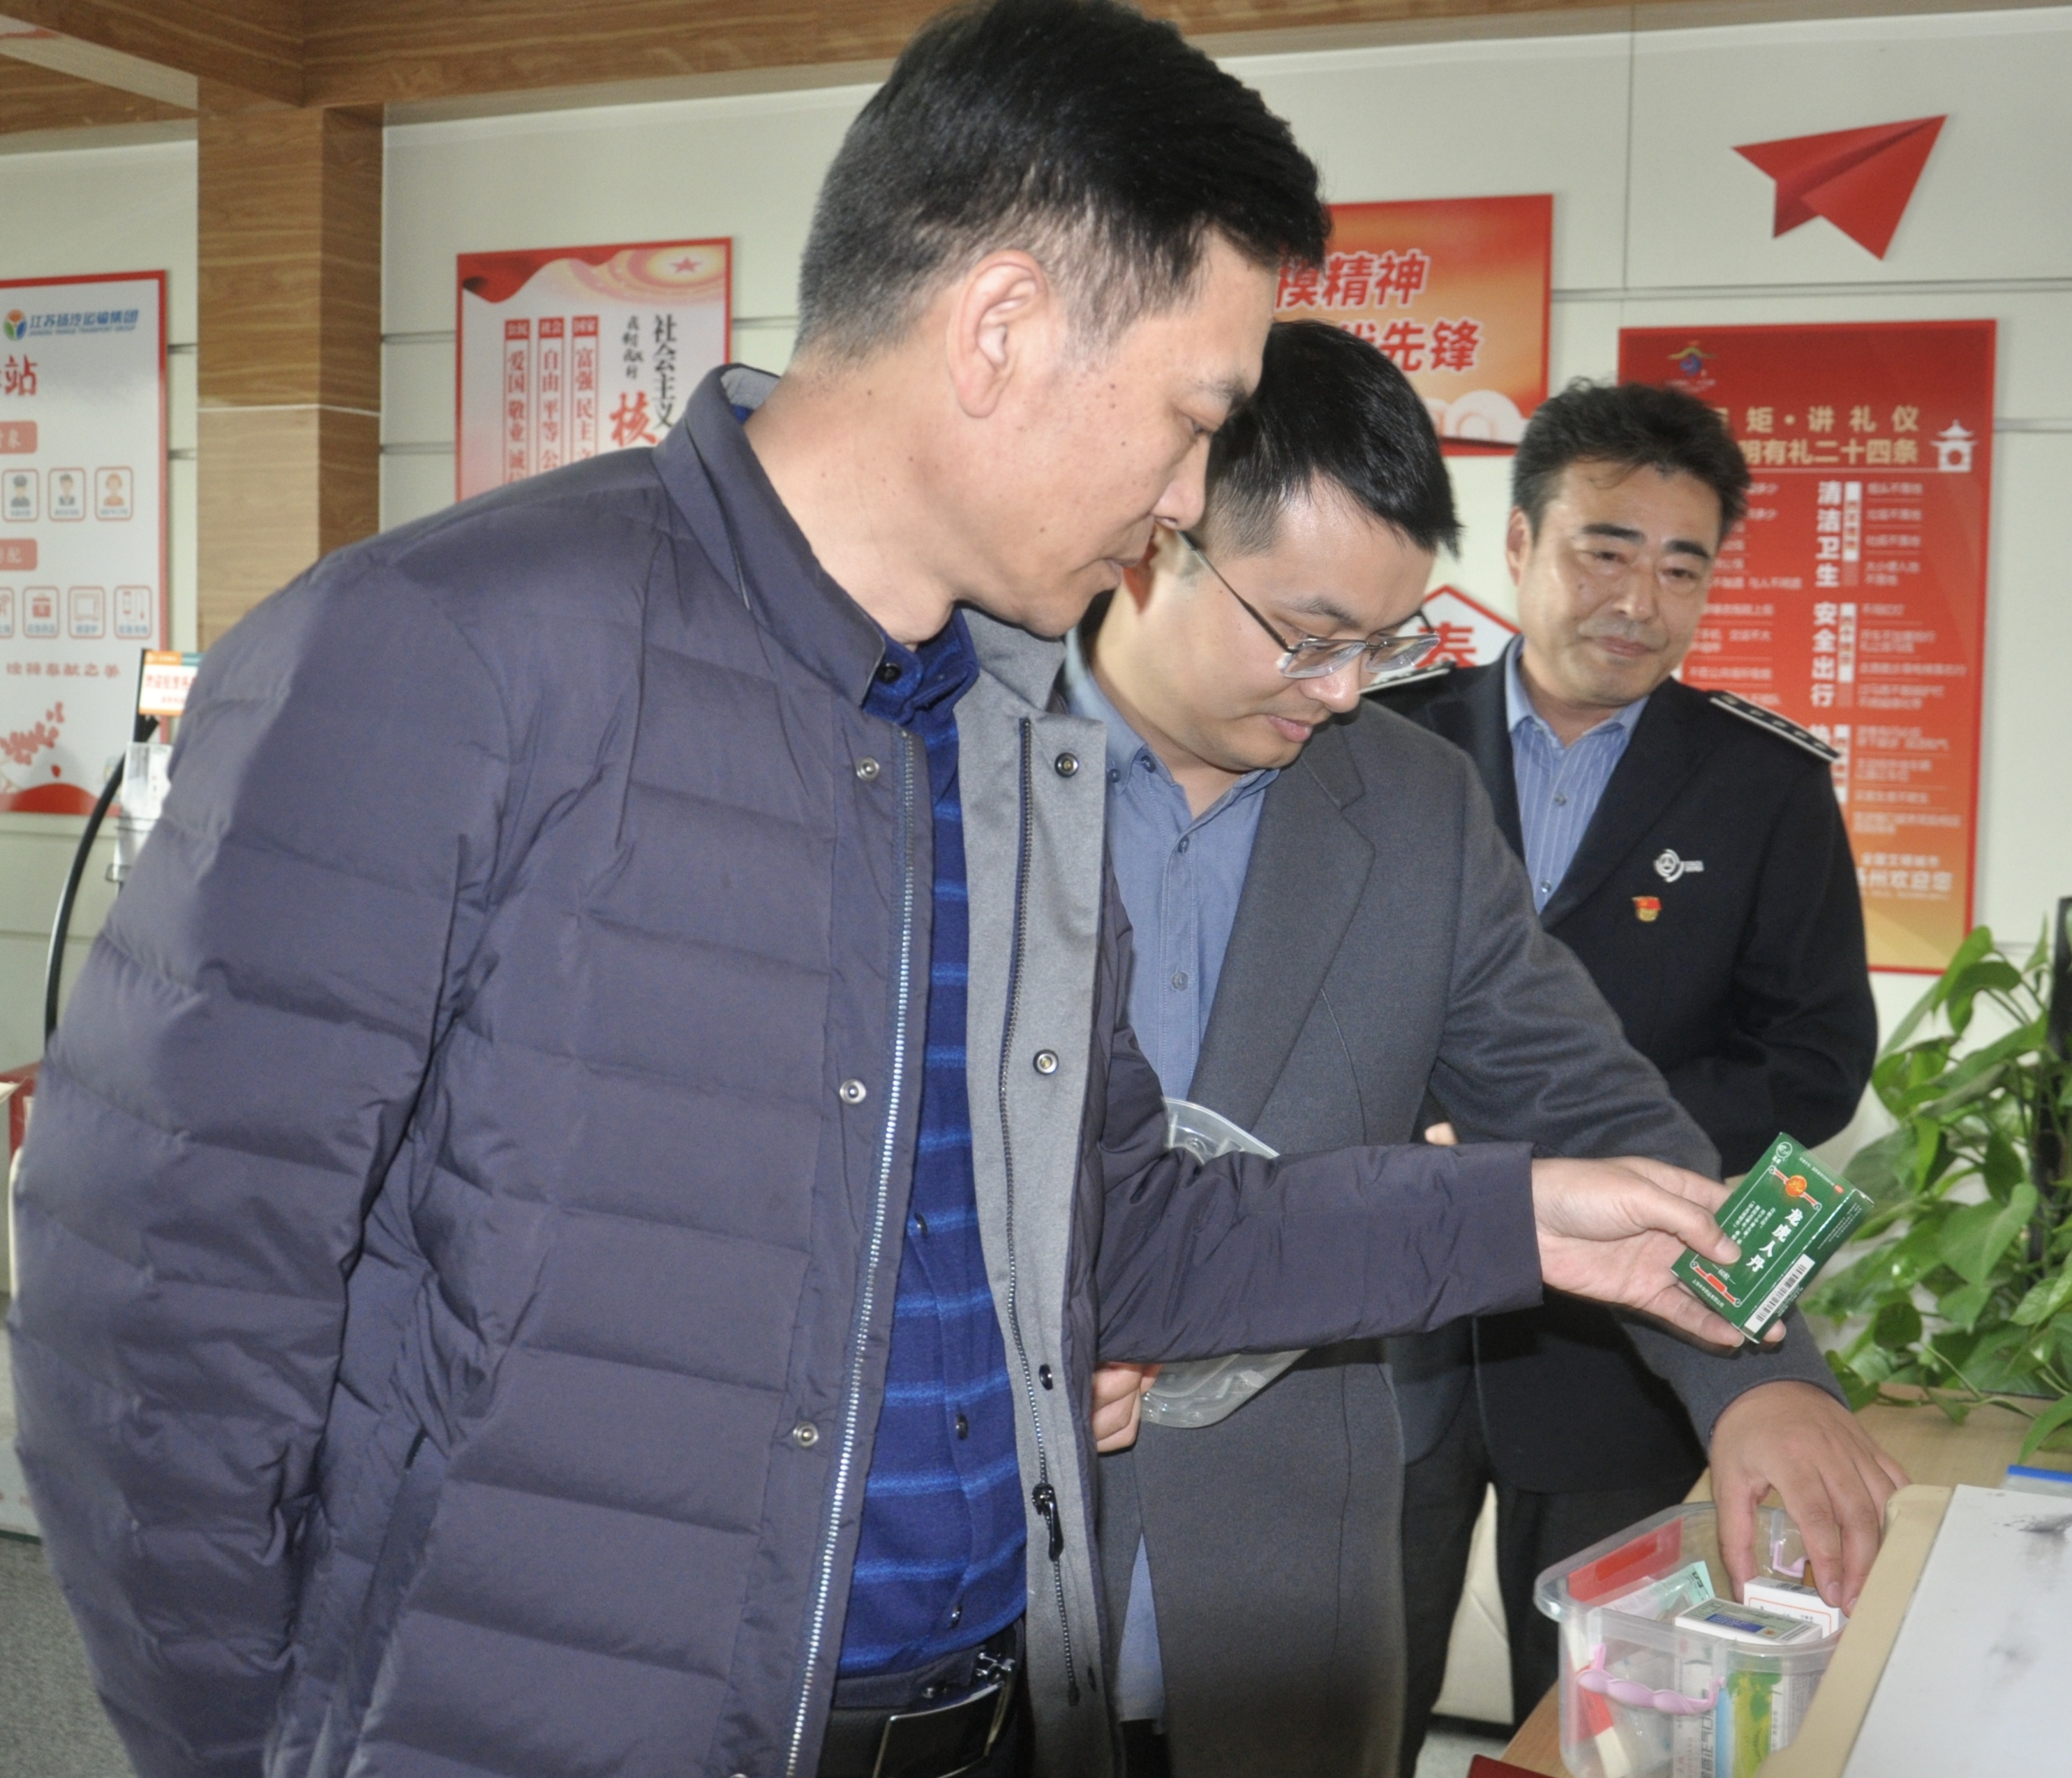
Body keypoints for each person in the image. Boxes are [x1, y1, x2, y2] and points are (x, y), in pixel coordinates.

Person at [8, 11, 1773, 1778]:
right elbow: (159, 1319)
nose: (1182, 498)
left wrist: (1522, 1218)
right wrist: (247, 1749)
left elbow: (1118, 1235)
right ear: (1001, 327)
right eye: (1190, 420)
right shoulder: (447, 652)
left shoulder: (1006, 743)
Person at [1072, 325, 1900, 1778]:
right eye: (1308, 633)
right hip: (973, 1592)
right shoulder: (947, 751)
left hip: (1282, 1589)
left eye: (1383, 644)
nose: (1343, 690)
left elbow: (1590, 1096)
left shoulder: (1407, 798)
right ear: (1156, 541)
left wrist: (1762, 1368)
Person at [1380, 378, 1887, 1761]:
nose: (1641, 600)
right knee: (1340, 1694)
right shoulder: (1379, 741)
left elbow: (1816, 1061)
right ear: (1520, 543)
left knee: (1598, 1716)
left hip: (1623, 1347)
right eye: (1606, 551)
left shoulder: (1764, 786)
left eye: (1682, 567)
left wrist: (1591, 1158)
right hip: (1382, 1311)